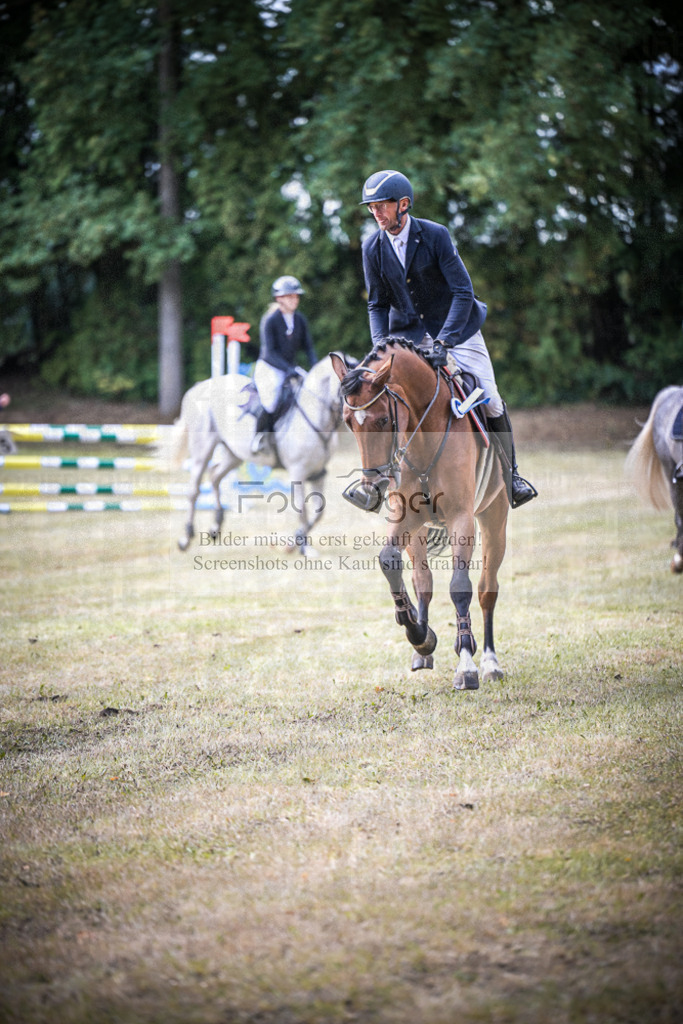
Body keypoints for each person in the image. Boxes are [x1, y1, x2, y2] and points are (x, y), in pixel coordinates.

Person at [359, 168, 537, 508]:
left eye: (382, 205)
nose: (376, 213)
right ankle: (375, 483)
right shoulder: (372, 247)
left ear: (404, 204)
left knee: (492, 398)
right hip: (408, 337)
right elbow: (377, 303)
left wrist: (445, 342)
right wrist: (381, 346)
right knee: (385, 400)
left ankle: (512, 476)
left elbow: (462, 291)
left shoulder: (435, 235)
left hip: (458, 330)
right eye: (371, 208)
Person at [251, 275, 318, 453]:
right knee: (271, 401)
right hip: (270, 368)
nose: (294, 300)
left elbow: (308, 347)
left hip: (290, 368)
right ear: (279, 298)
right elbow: (269, 352)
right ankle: (259, 436)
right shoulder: (270, 319)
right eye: (290, 296)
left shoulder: (300, 319)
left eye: (296, 296)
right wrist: (289, 369)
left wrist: (315, 368)